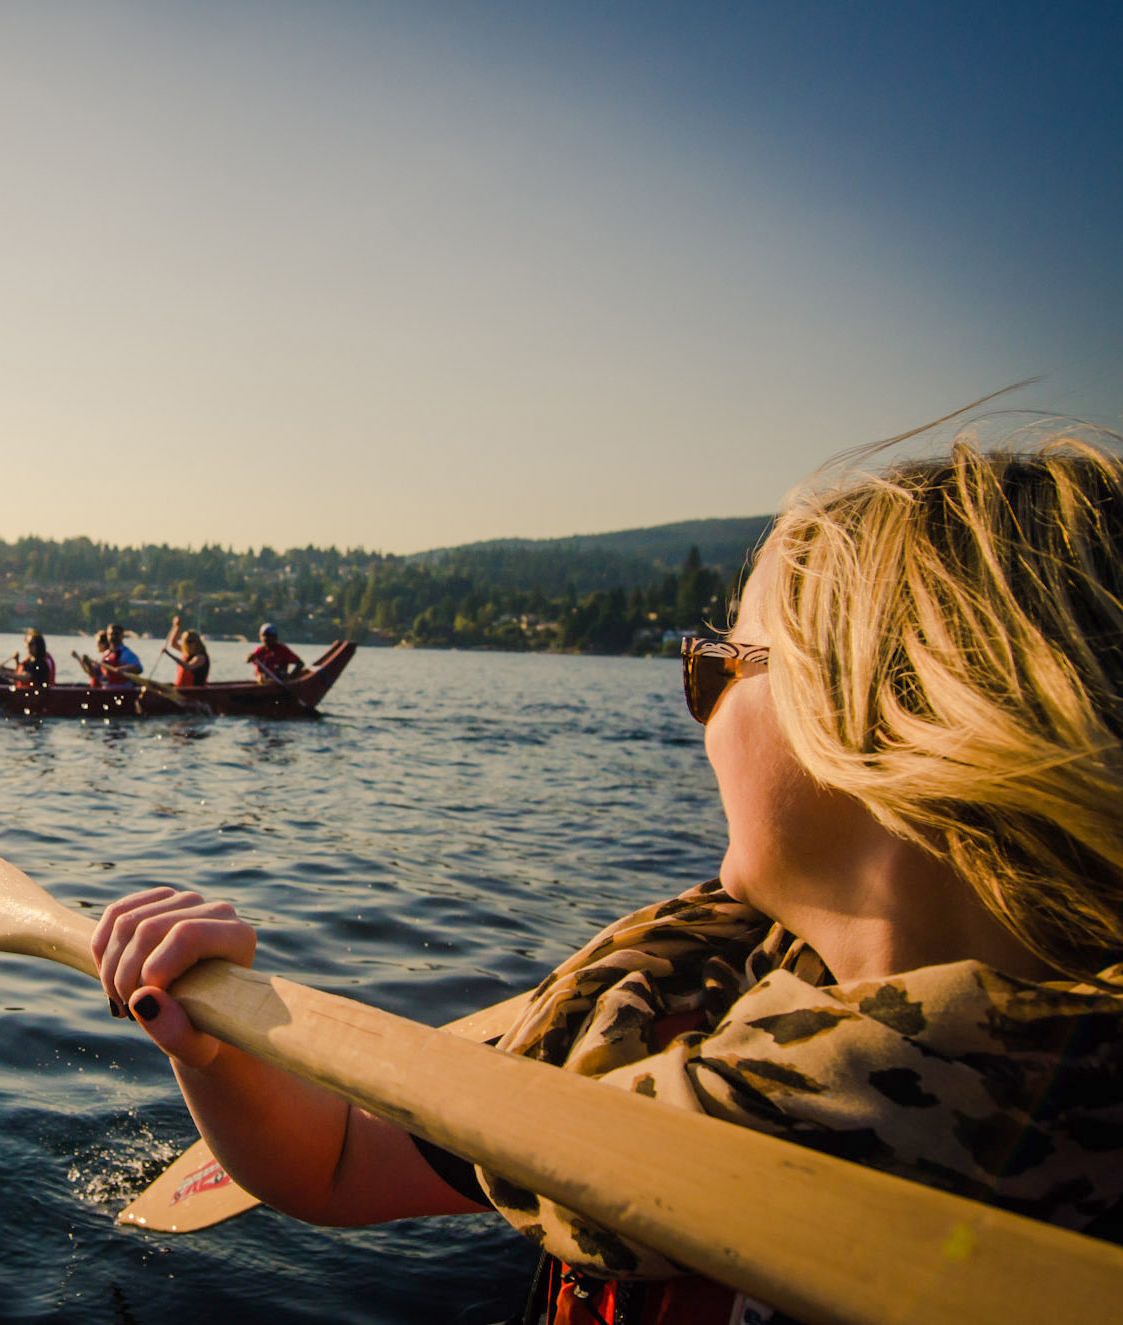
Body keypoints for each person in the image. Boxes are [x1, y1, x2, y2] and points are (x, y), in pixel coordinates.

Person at [92, 435, 1123, 1322]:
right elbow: (337, 1158)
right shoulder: (670, 1003)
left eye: (717, 661)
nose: (698, 701)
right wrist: (213, 1036)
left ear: (880, 720)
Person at [166, 615, 211, 687]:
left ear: (197, 642)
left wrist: (168, 654)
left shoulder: (200, 657)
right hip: (181, 688)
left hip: (194, 691)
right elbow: (173, 644)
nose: (187, 644)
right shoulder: (188, 652)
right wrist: (176, 627)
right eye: (185, 642)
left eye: (190, 641)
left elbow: (187, 666)